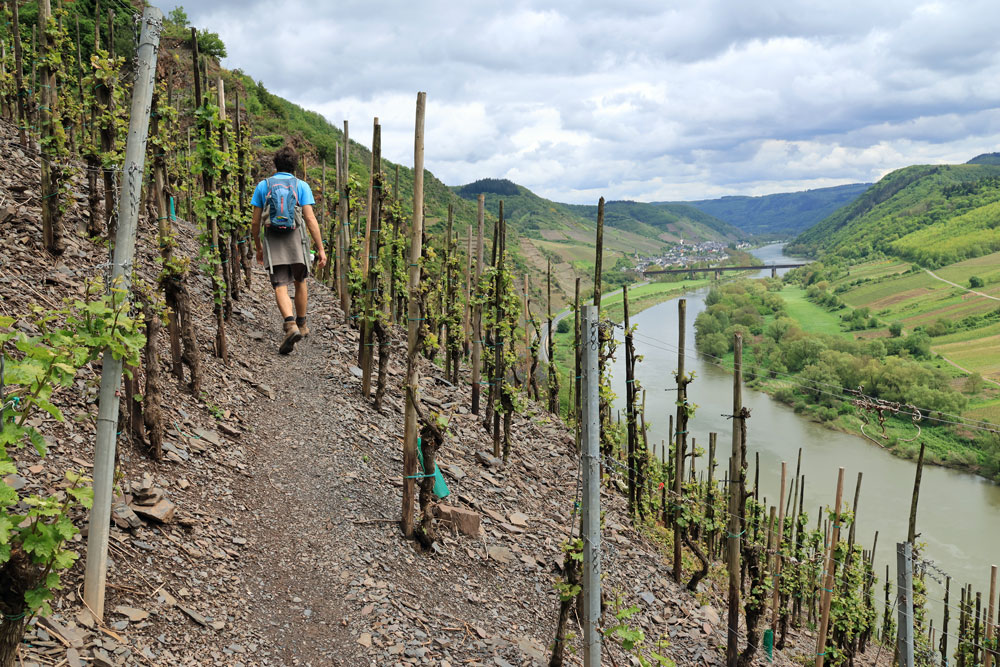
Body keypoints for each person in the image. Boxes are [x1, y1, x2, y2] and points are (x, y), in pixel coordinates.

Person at [251, 146, 327, 354]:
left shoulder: (263, 186)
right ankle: (302, 324)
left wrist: (258, 247)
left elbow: (255, 222)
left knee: (280, 284)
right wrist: (321, 249)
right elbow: (310, 219)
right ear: (294, 167)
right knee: (300, 280)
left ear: (276, 165)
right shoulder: (301, 186)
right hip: (297, 239)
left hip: (273, 239)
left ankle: (289, 324)